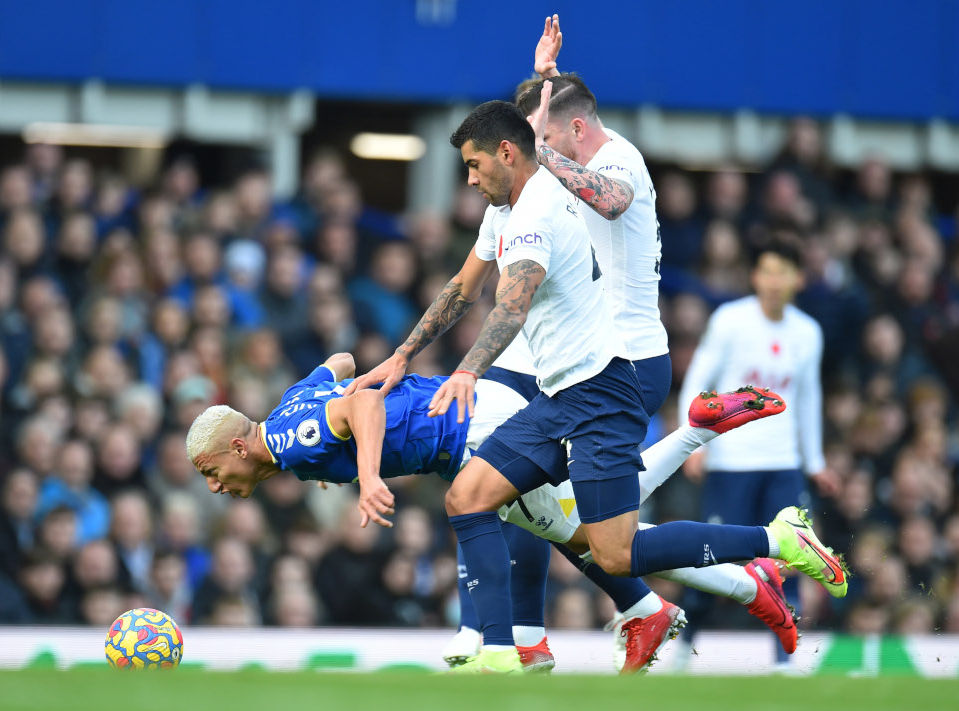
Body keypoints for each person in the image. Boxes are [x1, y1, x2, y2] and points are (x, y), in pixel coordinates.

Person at [347, 98, 845, 673]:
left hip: (600, 394)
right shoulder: (505, 206)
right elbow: (463, 287)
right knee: (468, 497)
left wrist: (466, 371)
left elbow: (511, 307)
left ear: (507, 153)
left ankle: (776, 539)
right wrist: (402, 355)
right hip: (556, 396)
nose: (469, 177)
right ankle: (502, 652)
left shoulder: (537, 211)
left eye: (475, 164)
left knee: (614, 552)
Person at [188, 352, 797, 671]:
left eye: (213, 472)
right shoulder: (289, 410)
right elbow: (345, 363)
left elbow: (363, 405)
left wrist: (368, 473)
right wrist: (346, 434)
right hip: (473, 415)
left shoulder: (286, 441)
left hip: (473, 430)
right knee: (590, 531)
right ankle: (726, 577)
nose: (216, 487)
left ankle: (503, 649)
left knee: (591, 533)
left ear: (239, 447)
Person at [446, 16, 689, 672]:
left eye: (547, 138)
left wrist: (544, 149)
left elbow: (607, 200)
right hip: (586, 366)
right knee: (547, 514)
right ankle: (592, 622)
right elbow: (515, 147)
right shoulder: (549, 171)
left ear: (573, 130)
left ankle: (755, 561)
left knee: (589, 531)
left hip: (626, 362)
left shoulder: (616, 159)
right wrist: (544, 79)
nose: (535, 152)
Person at [677, 239, 838, 669]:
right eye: (766, 271)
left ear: (798, 280)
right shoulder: (730, 320)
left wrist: (815, 461)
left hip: (783, 465)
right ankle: (681, 648)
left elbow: (807, 399)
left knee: (789, 559)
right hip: (731, 463)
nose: (773, 281)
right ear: (754, 277)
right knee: (710, 558)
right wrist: (692, 444)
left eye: (782, 272)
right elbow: (699, 379)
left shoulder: (808, 332)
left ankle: (786, 661)